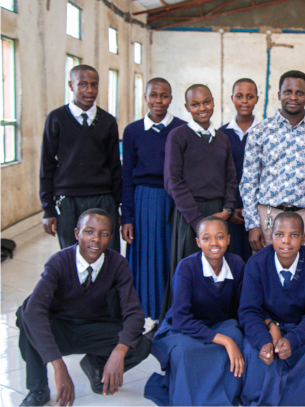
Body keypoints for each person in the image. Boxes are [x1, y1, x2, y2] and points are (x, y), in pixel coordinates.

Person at [16, 209, 150, 407]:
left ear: (110, 238)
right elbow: (34, 310)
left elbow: (134, 312)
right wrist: (58, 364)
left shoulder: (117, 264)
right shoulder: (59, 262)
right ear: (77, 234)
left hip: (95, 327)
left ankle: (96, 367)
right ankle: (38, 390)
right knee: (26, 318)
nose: (96, 239)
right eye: (89, 232)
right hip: (59, 328)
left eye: (104, 234)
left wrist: (119, 352)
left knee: (141, 345)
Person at [144, 216, 245, 407]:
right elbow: (180, 318)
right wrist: (225, 340)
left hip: (216, 324)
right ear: (198, 242)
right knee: (187, 350)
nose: (214, 243)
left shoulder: (237, 264)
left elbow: (244, 306)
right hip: (181, 328)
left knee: (235, 334)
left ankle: (222, 398)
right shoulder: (187, 267)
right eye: (206, 238)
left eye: (220, 237)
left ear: (229, 240)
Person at [161, 84, 238, 320]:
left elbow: (231, 177)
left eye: (206, 102)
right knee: (189, 270)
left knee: (219, 269)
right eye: (195, 104)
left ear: (213, 102)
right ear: (187, 107)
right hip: (189, 216)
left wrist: (226, 209)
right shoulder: (178, 136)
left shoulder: (222, 139)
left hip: (219, 215)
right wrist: (198, 221)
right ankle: (182, 321)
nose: (202, 108)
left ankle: (218, 320)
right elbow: (173, 181)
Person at [240, 70, 305, 255]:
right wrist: (252, 224)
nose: (293, 97)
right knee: (268, 276)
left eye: (299, 93)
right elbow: (249, 181)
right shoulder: (260, 132)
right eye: (287, 92)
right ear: (279, 94)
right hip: (269, 218)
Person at [239, 212, 305, 407]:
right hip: (268, 327)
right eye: (279, 234)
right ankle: (260, 398)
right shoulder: (256, 263)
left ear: (304, 238)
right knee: (250, 347)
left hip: (301, 327)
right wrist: (263, 340)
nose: (286, 241)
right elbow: (249, 310)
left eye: (294, 235)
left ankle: (298, 399)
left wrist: (292, 339)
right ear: (270, 237)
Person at [121, 77, 186, 322]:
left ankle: (171, 314)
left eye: (164, 95)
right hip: (144, 201)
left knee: (172, 255)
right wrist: (126, 216)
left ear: (171, 98)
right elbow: (126, 174)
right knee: (146, 258)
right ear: (145, 97)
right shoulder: (133, 131)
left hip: (174, 200)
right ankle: (145, 314)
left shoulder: (181, 128)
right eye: (153, 95)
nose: (159, 101)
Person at [40, 65, 122, 253]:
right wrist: (48, 209)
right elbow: (47, 164)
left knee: (107, 253)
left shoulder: (108, 121)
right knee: (72, 255)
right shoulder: (56, 118)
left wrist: (117, 206)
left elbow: (114, 166)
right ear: (71, 85)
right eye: (82, 84)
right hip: (68, 199)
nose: (89, 90)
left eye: (94, 85)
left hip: (103, 198)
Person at [219, 78, 260, 263]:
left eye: (249, 96)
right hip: (230, 208)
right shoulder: (221, 134)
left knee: (258, 258)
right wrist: (232, 207)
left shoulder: (266, 132)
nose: (244, 101)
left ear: (257, 99)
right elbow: (222, 175)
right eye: (239, 96)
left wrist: (252, 210)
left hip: (259, 209)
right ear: (232, 98)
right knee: (233, 258)